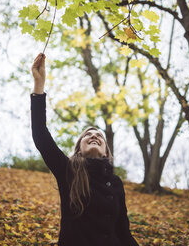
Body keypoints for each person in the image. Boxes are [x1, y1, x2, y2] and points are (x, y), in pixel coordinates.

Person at [30, 53, 140, 246]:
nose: (94, 136)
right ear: (79, 149)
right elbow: (41, 136)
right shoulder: (69, 171)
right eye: (87, 135)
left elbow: (123, 231)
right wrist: (39, 86)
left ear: (106, 152)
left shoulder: (115, 183)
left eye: (99, 135)